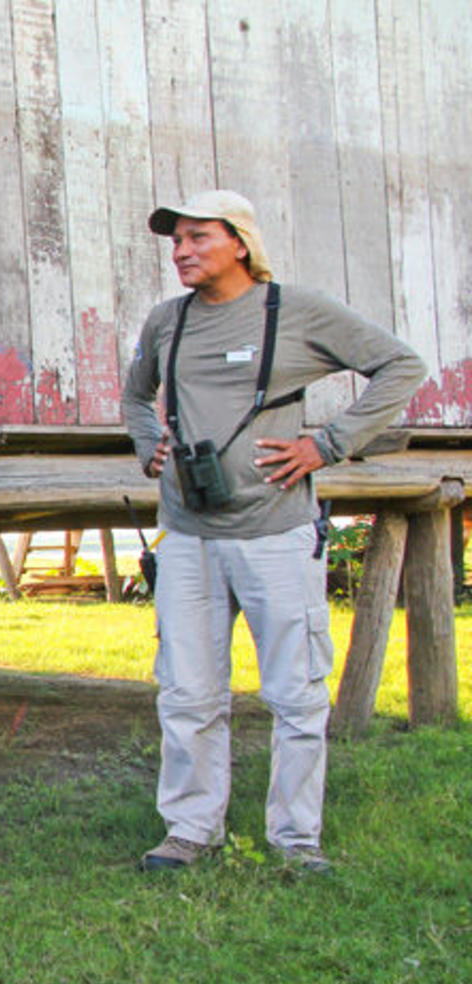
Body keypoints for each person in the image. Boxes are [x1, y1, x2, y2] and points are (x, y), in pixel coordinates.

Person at [123, 190, 426, 873]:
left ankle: (296, 839)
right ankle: (189, 830)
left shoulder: (295, 312)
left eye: (198, 238)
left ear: (240, 242)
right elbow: (135, 394)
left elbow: (400, 366)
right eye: (176, 242)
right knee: (187, 690)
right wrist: (150, 447)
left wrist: (329, 444)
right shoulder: (167, 321)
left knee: (294, 692)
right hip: (188, 535)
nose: (182, 251)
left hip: (274, 532)